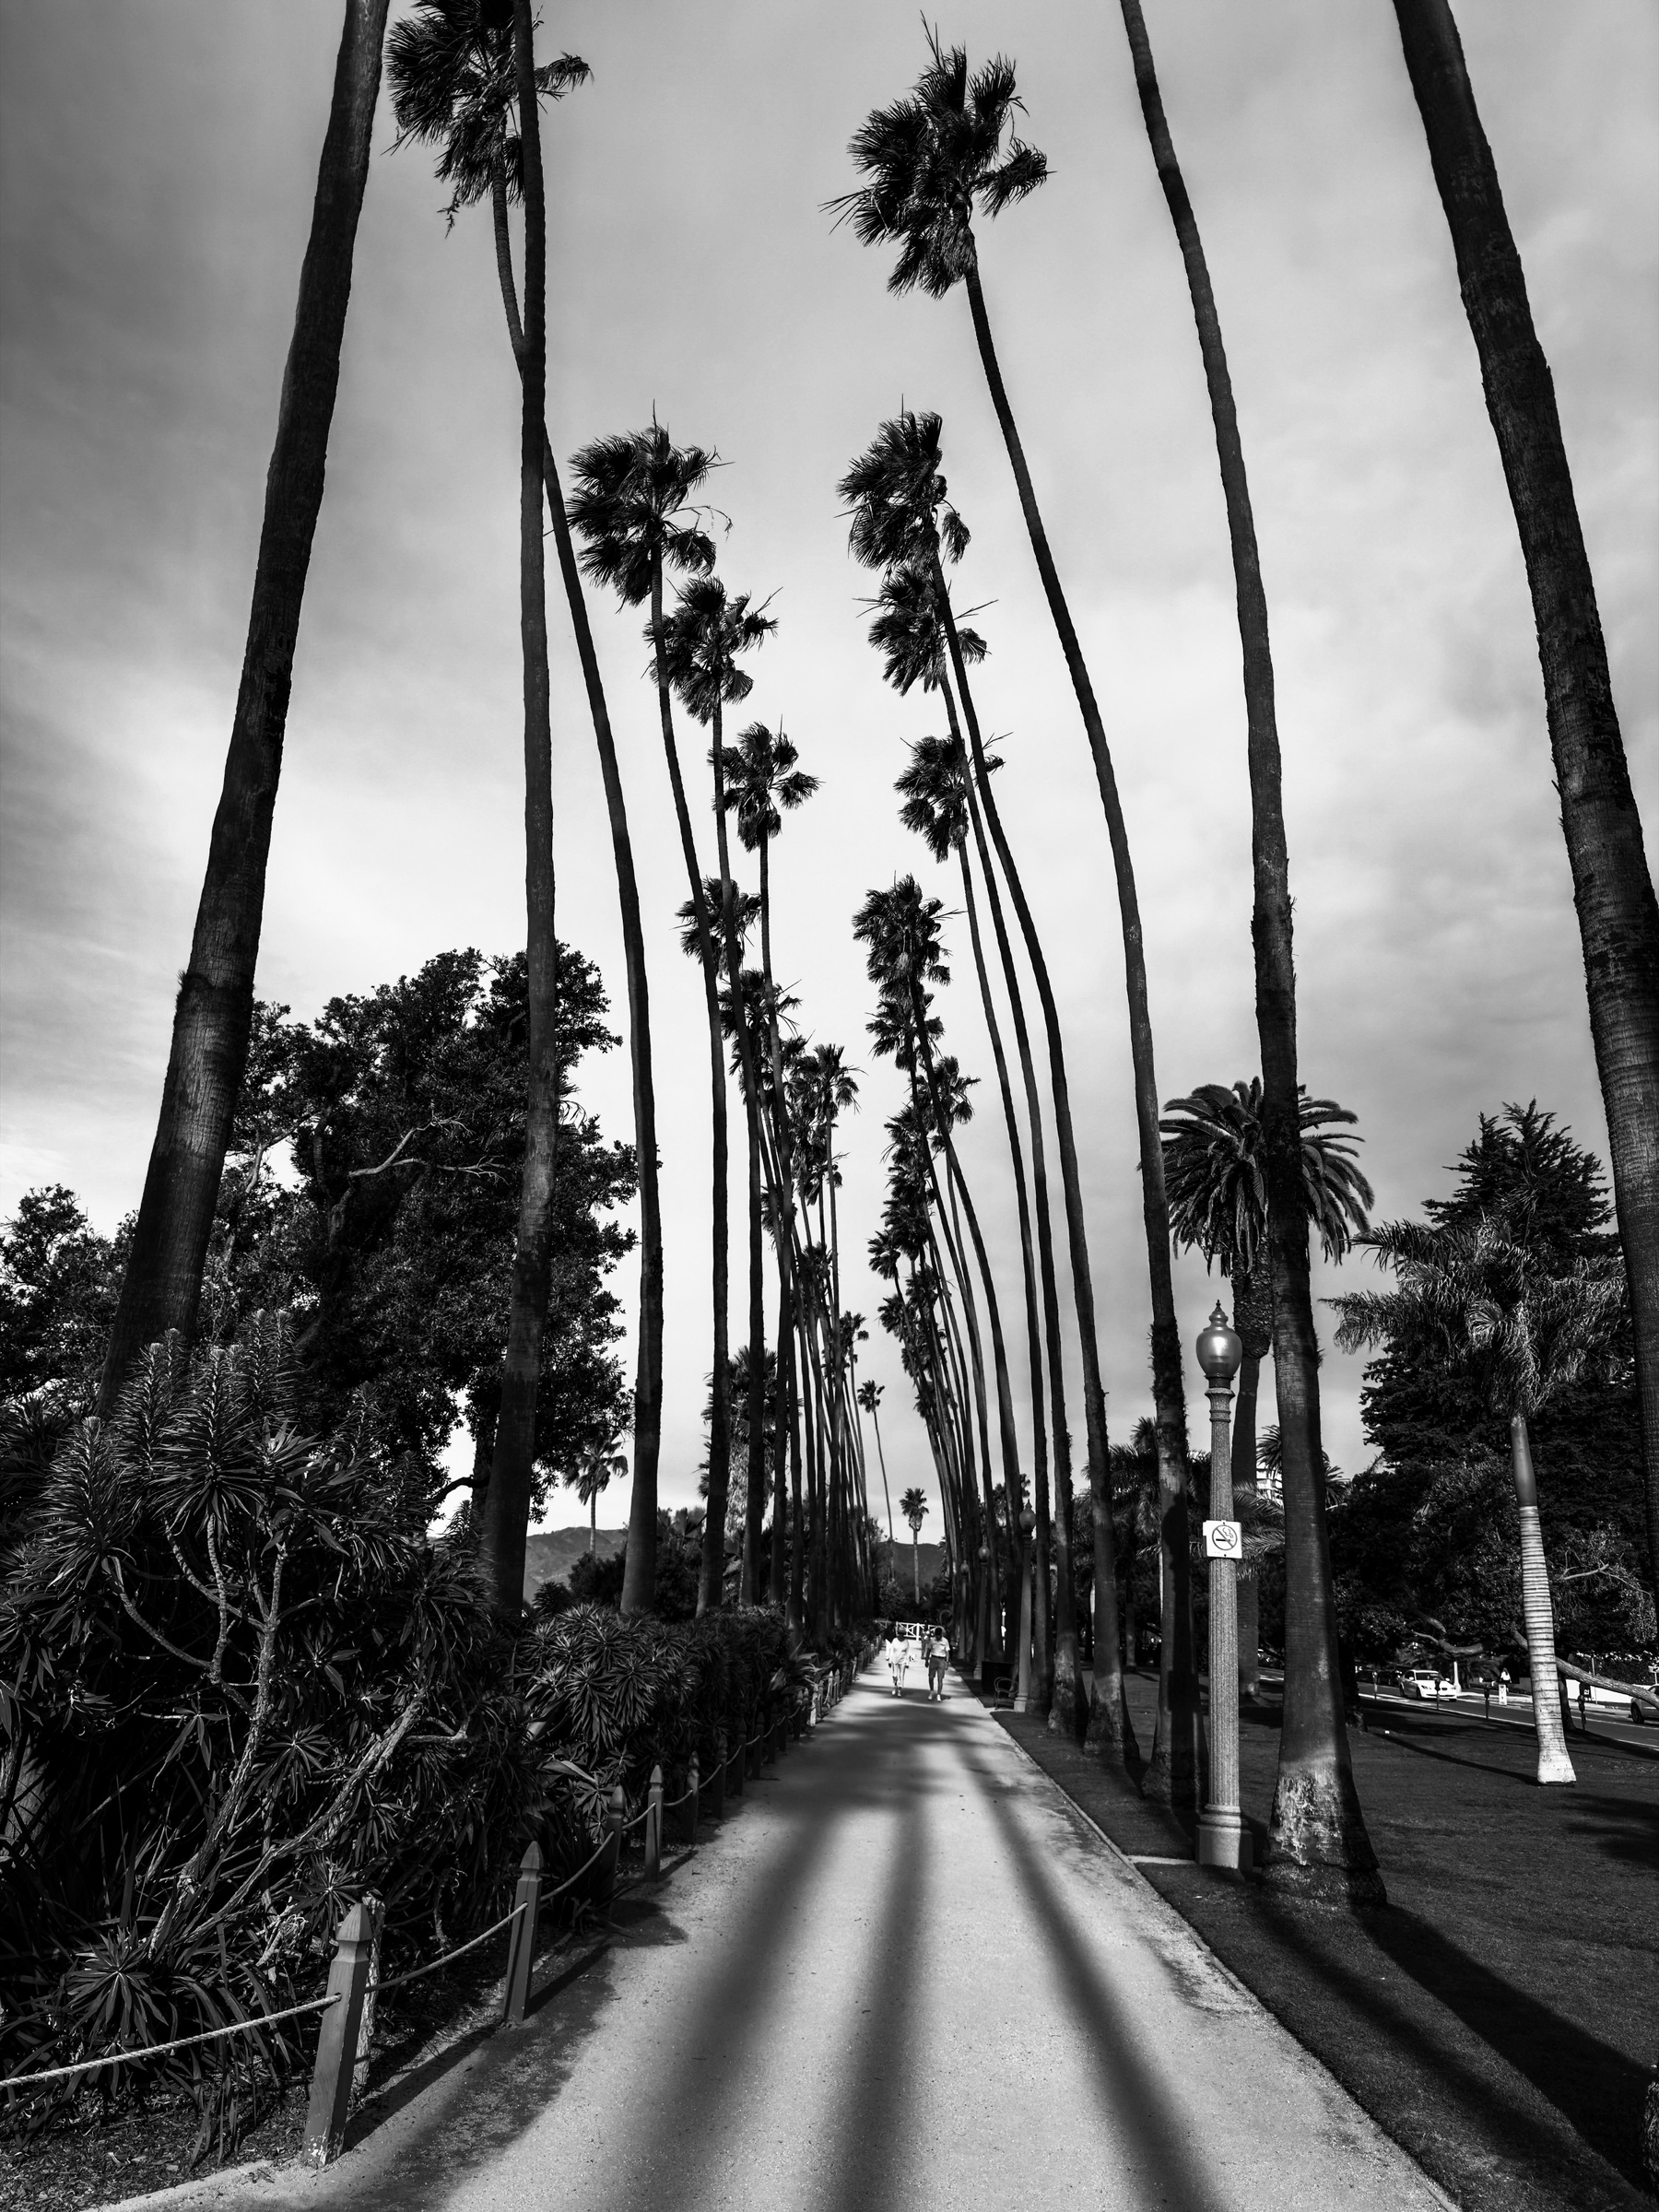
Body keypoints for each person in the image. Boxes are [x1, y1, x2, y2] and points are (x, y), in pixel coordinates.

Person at [926, 1627, 950, 1701]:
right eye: (936, 1635)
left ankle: (939, 1694)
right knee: (931, 1677)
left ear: (941, 1634)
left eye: (939, 1635)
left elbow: (947, 1652)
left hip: (941, 1660)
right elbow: (928, 1650)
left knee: (940, 1679)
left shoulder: (945, 1641)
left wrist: (947, 1662)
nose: (938, 1637)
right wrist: (926, 1660)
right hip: (933, 1659)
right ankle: (931, 1691)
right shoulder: (932, 1640)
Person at [885, 1630, 908, 1699]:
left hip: (903, 1660)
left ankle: (899, 1690)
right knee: (895, 1675)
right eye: (900, 1633)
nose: (901, 1635)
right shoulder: (894, 1641)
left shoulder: (906, 1642)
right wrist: (889, 1660)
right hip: (895, 1660)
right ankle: (895, 1685)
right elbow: (891, 1650)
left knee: (901, 1675)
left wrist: (907, 1662)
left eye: (902, 1634)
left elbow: (908, 1652)